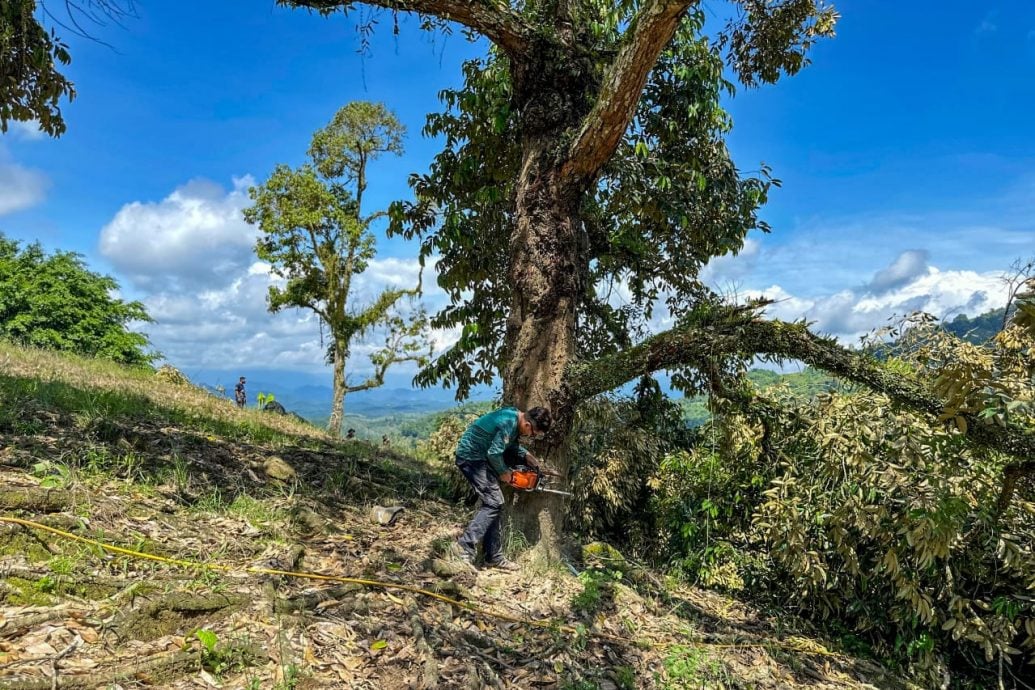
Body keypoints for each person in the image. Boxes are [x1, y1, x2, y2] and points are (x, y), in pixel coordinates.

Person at [453, 405, 552, 571]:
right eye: (533, 434)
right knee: (494, 502)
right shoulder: (508, 422)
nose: (530, 436)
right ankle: (464, 547)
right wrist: (503, 472)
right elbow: (494, 453)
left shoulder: (514, 418)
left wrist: (525, 455)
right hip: (471, 458)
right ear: (528, 425)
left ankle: (494, 556)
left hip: (481, 457)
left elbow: (510, 446)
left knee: (495, 504)